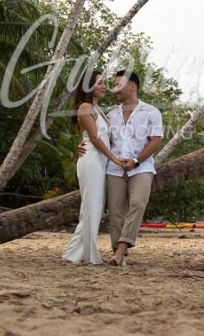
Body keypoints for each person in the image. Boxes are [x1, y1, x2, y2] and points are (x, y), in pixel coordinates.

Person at [78, 70, 163, 266]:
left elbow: (155, 140)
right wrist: (81, 144)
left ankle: (121, 249)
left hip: (141, 168)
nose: (113, 89)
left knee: (138, 203)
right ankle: (118, 255)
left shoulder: (151, 112)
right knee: (115, 213)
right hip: (114, 169)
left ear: (131, 87)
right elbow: (97, 136)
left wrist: (136, 160)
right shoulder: (110, 115)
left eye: (118, 85)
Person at [62, 70, 127, 265]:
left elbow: (106, 137)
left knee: (94, 207)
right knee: (91, 206)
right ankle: (84, 254)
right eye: (99, 83)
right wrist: (113, 158)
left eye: (104, 83)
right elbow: (95, 139)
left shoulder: (98, 109)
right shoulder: (85, 107)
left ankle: (74, 252)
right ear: (88, 86)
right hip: (91, 159)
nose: (104, 86)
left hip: (100, 161)